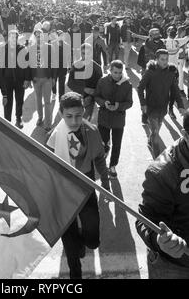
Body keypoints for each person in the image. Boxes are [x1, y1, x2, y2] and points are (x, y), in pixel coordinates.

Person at [46, 92, 110, 279]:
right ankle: (75, 273)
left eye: (78, 115)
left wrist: (105, 182)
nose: (74, 121)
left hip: (85, 184)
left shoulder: (91, 131)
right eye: (69, 116)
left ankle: (82, 242)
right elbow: (45, 166)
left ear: (84, 112)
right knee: (70, 242)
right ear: (60, 114)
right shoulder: (53, 137)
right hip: (63, 189)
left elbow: (99, 157)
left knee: (93, 240)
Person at [136, 110, 189, 279]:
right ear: (185, 135)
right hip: (174, 266)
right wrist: (159, 241)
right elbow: (144, 219)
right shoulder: (162, 171)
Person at [138, 49, 185, 159]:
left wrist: (181, 106)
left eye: (166, 59)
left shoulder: (171, 73)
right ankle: (157, 159)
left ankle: (150, 142)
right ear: (157, 59)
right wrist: (143, 103)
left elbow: (175, 91)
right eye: (162, 59)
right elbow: (140, 88)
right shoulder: (150, 72)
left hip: (163, 108)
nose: (165, 61)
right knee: (155, 133)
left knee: (156, 130)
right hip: (151, 107)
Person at [95, 60, 133, 178]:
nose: (117, 75)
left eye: (120, 73)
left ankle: (112, 166)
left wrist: (118, 106)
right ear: (110, 71)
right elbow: (96, 96)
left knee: (117, 144)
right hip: (104, 119)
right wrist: (103, 103)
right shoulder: (102, 81)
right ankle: (103, 160)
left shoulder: (127, 84)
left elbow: (129, 102)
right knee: (103, 143)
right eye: (115, 72)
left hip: (118, 120)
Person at [0, 30, 31, 129]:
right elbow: (0, 67)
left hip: (20, 80)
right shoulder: (3, 49)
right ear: (8, 38)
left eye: (15, 37)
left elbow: (27, 65)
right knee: (8, 101)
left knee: (19, 100)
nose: (13, 39)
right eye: (11, 37)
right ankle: (7, 121)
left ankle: (18, 118)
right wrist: (1, 81)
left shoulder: (22, 49)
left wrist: (27, 79)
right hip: (7, 80)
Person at [27, 29, 56, 132]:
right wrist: (29, 79)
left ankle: (48, 124)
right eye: (37, 36)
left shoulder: (49, 47)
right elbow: (28, 65)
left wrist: (53, 78)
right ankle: (40, 117)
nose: (39, 38)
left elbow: (54, 63)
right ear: (35, 37)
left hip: (47, 78)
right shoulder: (31, 48)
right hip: (36, 79)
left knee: (47, 101)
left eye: (41, 36)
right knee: (38, 100)